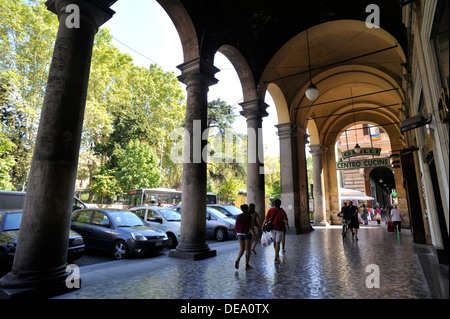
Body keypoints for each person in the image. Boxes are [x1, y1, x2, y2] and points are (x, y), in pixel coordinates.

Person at [262, 199, 290, 264]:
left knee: (275, 242)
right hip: (279, 229)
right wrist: (288, 228)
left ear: (274, 204)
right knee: (278, 243)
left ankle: (276, 254)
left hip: (272, 229)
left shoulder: (270, 210)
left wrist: (262, 226)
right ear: (280, 204)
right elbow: (286, 221)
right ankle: (275, 256)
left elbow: (266, 219)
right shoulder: (282, 212)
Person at [235, 204, 254, 270]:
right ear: (247, 209)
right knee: (248, 250)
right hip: (247, 233)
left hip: (240, 234)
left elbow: (236, 226)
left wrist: (237, 233)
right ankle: (247, 264)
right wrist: (254, 234)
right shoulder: (249, 216)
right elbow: (251, 226)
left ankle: (238, 259)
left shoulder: (238, 216)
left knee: (242, 249)